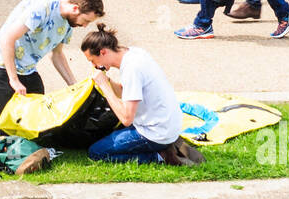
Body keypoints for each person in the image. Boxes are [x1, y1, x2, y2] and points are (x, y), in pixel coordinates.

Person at [82, 25, 202, 167]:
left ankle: (162, 156)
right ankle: (169, 145)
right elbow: (125, 92)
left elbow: (126, 119)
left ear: (103, 52)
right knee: (108, 133)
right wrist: (107, 81)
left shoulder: (131, 70)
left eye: (92, 60)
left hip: (155, 133)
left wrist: (104, 86)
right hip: (168, 124)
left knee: (96, 152)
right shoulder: (134, 53)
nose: (94, 65)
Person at [0, 0, 104, 115]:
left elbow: (57, 55)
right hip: (2, 66)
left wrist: (74, 86)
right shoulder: (43, 8)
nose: (85, 26)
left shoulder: (68, 23)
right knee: (11, 123)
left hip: (28, 69)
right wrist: (14, 80)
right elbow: (7, 38)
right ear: (75, 8)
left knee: (38, 117)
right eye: (86, 20)